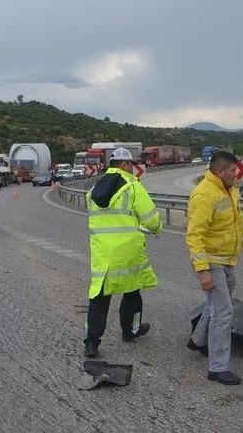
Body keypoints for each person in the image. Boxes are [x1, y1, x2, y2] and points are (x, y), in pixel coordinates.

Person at [186, 150, 243, 385]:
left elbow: (237, 223)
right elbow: (194, 236)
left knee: (216, 306)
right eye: (233, 170)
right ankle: (218, 368)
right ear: (220, 171)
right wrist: (203, 271)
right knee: (224, 312)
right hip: (212, 261)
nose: (236, 174)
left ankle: (197, 341)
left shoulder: (230, 190)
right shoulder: (203, 195)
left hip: (228, 259)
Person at [83, 148, 162, 358]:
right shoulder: (133, 186)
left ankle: (92, 342)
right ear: (125, 165)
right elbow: (151, 220)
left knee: (99, 297)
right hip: (128, 252)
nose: (133, 169)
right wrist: (156, 228)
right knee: (132, 291)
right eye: (131, 165)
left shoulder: (93, 189)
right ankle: (130, 331)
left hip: (102, 254)